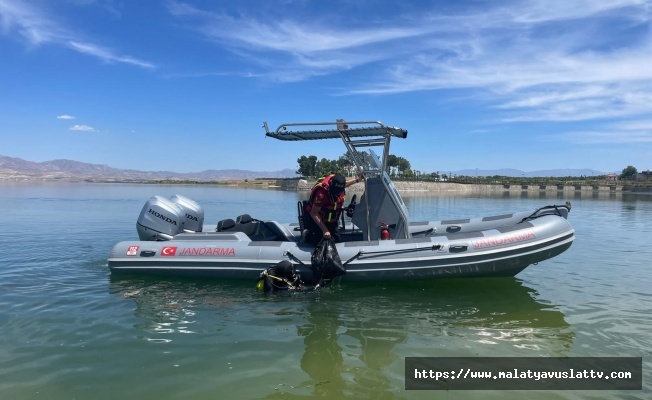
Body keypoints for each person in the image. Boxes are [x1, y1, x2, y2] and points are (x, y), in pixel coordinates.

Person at [304, 172, 363, 246]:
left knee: (336, 240)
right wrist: (325, 230)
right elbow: (314, 213)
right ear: (331, 184)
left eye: (339, 191)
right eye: (335, 191)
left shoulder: (340, 186)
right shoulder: (321, 194)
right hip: (317, 220)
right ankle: (307, 236)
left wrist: (358, 179)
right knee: (318, 241)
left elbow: (346, 183)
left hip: (331, 221)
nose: (337, 193)